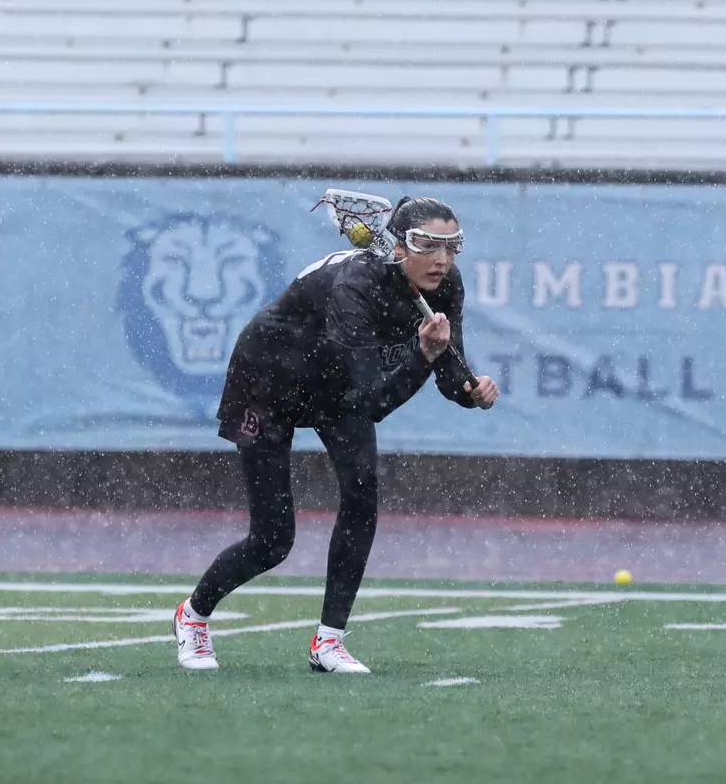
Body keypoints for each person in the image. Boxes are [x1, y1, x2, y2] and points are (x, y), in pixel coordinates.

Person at [173, 195, 499, 673]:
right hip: (268, 379)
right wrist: (423, 357)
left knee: (362, 498)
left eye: (452, 247)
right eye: (427, 245)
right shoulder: (356, 286)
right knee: (272, 540)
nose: (442, 260)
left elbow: (450, 374)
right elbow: (374, 402)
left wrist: (472, 392)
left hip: (336, 385)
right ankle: (193, 616)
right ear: (395, 244)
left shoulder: (445, 283)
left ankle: (329, 642)